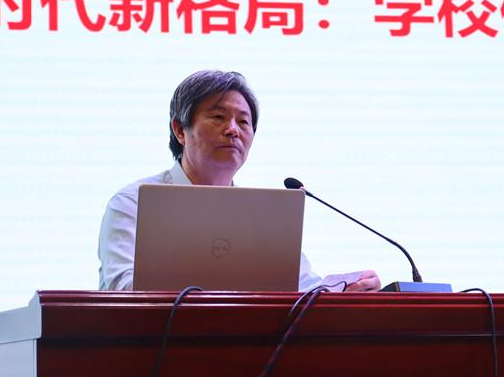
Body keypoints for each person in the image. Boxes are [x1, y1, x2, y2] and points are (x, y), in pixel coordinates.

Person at [98, 70, 381, 292]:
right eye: (218, 117)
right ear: (180, 130)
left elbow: (301, 288)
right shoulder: (134, 202)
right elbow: (124, 288)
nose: (232, 130)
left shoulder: (264, 214)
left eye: (244, 122)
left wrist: (342, 288)